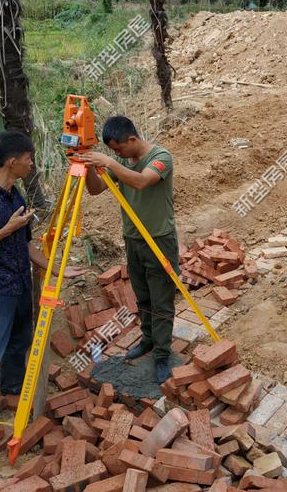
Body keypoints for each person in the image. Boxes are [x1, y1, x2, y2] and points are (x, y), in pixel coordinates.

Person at [0, 131, 83, 477]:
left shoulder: (16, 196)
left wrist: (57, 268)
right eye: (28, 157)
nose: (31, 162)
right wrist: (6, 230)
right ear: (12, 161)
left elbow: (27, 247)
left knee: (19, 346)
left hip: (20, 288)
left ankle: (12, 394)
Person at [82, 116, 178, 385]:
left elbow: (141, 182)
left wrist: (109, 162)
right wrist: (89, 165)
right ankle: (148, 340)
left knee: (161, 300)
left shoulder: (161, 157)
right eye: (113, 152)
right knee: (143, 296)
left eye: (119, 149)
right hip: (133, 240)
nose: (117, 154)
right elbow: (95, 190)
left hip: (159, 239)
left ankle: (161, 354)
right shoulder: (122, 162)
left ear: (132, 139)